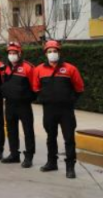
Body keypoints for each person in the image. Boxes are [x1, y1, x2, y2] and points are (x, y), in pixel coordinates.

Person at [33, 40, 84, 179]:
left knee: (69, 139)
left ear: (59, 52)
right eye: (49, 51)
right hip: (49, 110)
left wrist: (70, 100)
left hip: (66, 110)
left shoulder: (70, 69)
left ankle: (70, 167)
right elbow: (36, 88)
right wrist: (45, 99)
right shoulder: (39, 70)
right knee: (51, 137)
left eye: (55, 51)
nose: (52, 54)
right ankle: (51, 162)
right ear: (45, 54)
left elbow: (79, 88)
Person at [0, 42, 36, 167]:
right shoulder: (4, 68)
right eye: (10, 53)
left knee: (28, 131)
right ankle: (14, 154)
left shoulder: (28, 67)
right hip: (9, 104)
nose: (12, 55)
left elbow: (35, 86)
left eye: (14, 53)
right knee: (11, 130)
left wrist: (28, 98)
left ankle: (29, 157)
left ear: (20, 54)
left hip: (24, 105)